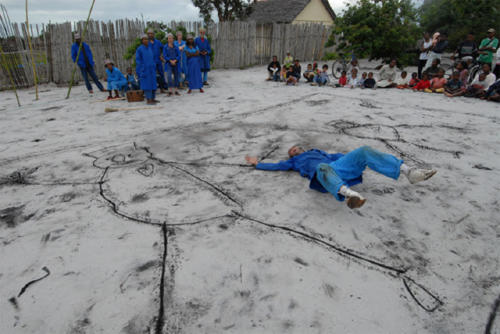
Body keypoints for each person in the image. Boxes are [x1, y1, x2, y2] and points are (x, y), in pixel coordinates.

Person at [245, 145, 436, 210]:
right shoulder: (295, 162)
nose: (294, 150)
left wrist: (355, 160)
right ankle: (349, 195)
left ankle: (409, 172)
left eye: (295, 147)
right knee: (322, 167)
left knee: (363, 151)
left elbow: (338, 157)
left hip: (336, 167)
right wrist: (257, 163)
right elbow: (277, 166)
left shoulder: (318, 151)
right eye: (292, 151)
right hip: (322, 175)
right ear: (292, 155)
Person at [136, 34, 158, 104]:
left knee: (153, 83)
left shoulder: (150, 48)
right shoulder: (139, 49)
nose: (145, 40)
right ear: (142, 41)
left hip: (152, 69)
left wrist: (154, 65)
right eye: (144, 39)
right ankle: (148, 99)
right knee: (146, 84)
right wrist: (142, 68)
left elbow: (153, 57)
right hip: (145, 69)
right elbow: (138, 60)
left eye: (146, 39)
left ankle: (153, 98)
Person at [147, 28, 167, 93]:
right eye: (149, 34)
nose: (150, 35)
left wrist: (162, 55)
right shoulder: (146, 43)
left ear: (154, 34)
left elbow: (163, 48)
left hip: (158, 61)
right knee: (152, 75)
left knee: (161, 74)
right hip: (150, 62)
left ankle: (162, 88)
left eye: (151, 34)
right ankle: (153, 88)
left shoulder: (158, 42)